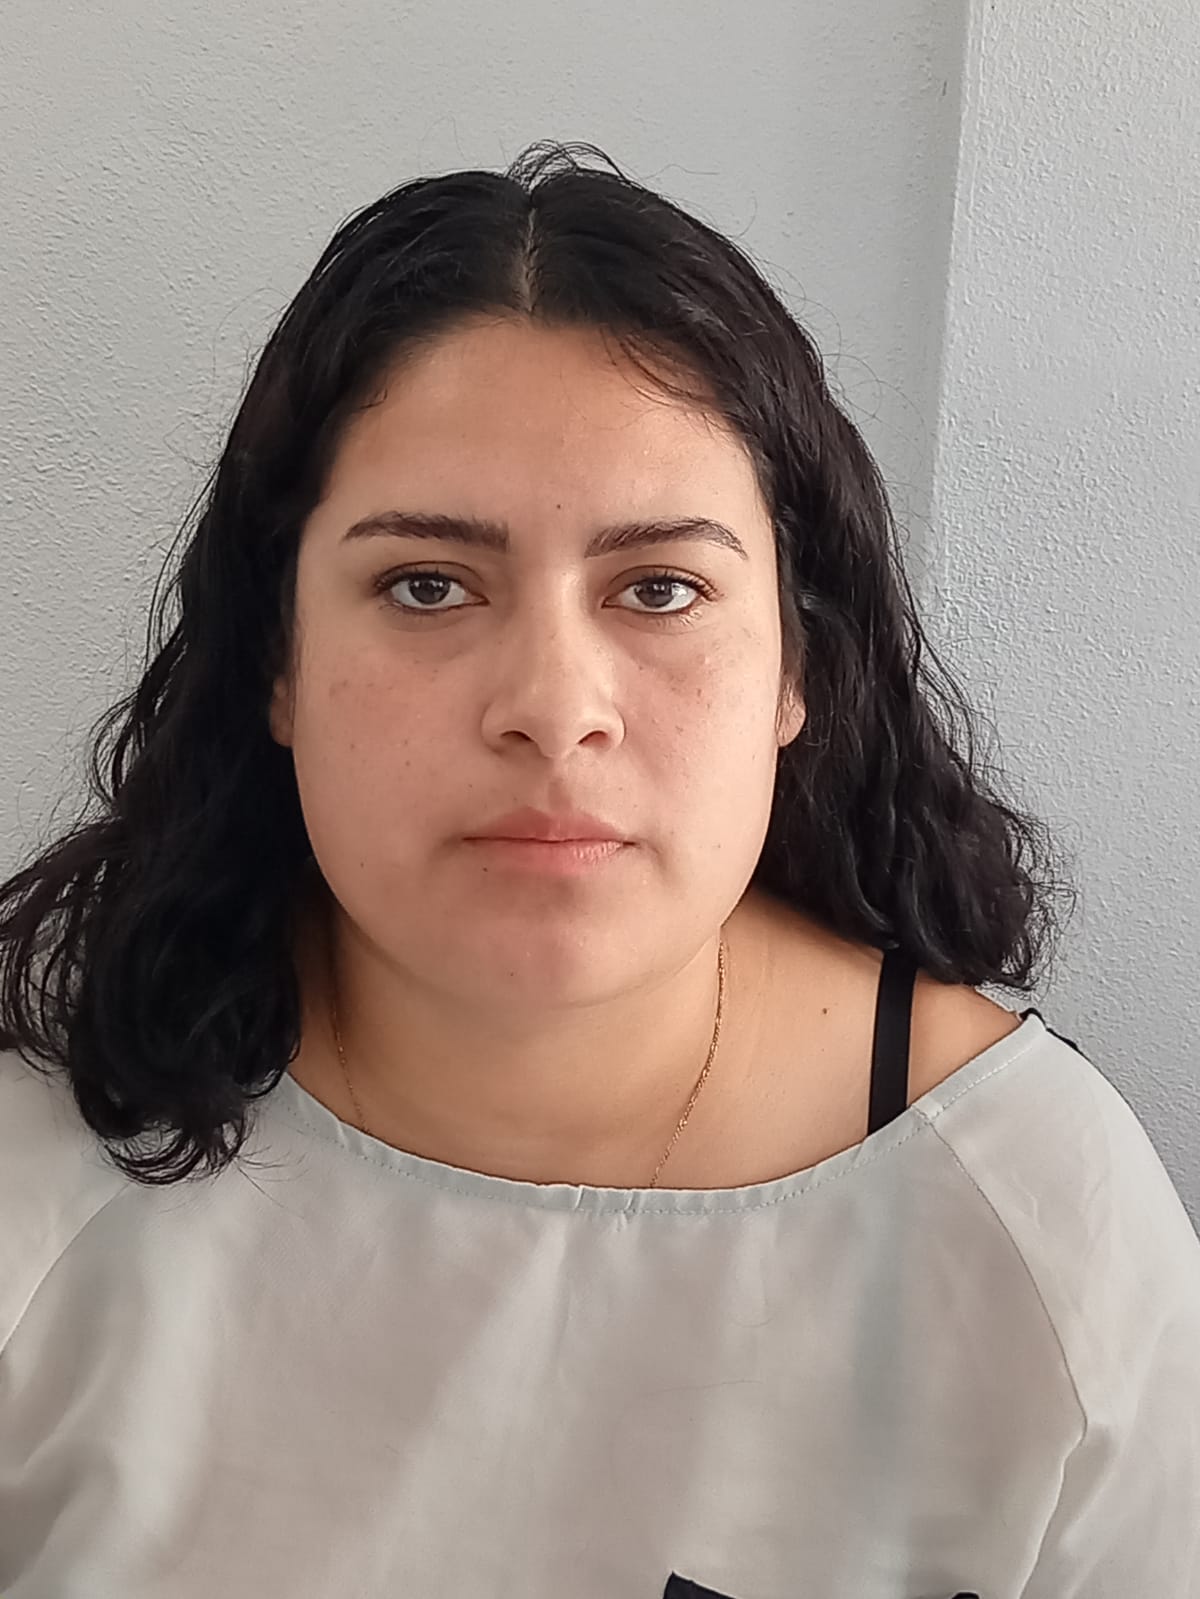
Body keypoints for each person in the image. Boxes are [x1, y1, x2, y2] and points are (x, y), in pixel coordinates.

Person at [0, 139, 1197, 1599]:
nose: (553, 706)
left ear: (795, 668)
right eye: (427, 585)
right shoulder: (37, 1153)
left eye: (660, 588)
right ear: (279, 663)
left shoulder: (1037, 1221)